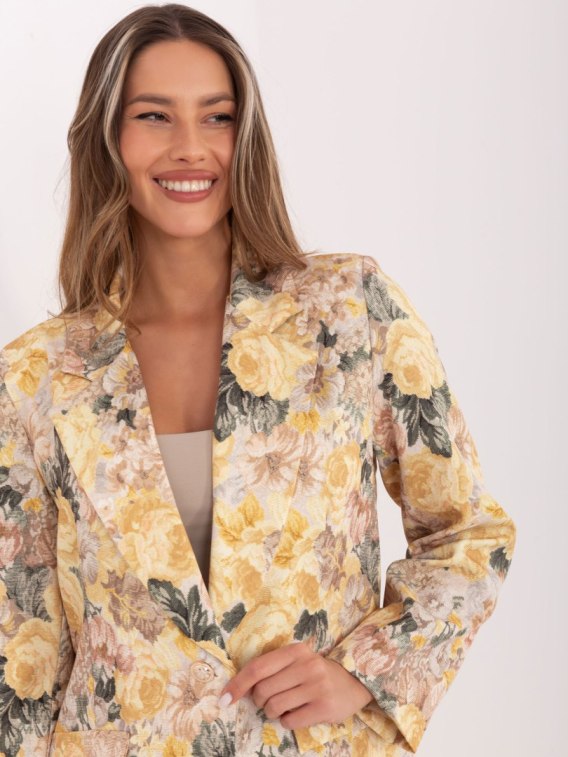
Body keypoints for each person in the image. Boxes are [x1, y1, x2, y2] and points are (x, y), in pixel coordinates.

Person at [0, 4, 516, 756]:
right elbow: (21, 655)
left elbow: (468, 533)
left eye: (217, 117)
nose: (190, 147)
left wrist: (368, 670)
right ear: (107, 138)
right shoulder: (36, 375)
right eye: (154, 116)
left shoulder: (349, 310)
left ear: (246, 138)